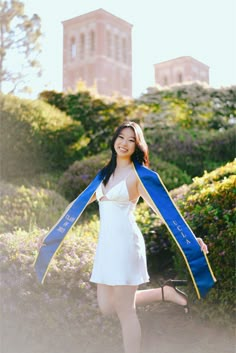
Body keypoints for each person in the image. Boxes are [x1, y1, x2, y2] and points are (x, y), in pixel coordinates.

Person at [86, 121, 209, 353]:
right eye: (121, 137)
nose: (124, 143)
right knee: (106, 306)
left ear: (137, 146)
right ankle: (164, 293)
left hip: (126, 245)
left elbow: (166, 212)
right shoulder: (104, 175)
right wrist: (51, 236)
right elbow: (76, 205)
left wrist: (193, 240)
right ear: (114, 140)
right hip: (106, 248)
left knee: (125, 310)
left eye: (131, 140)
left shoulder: (139, 176)